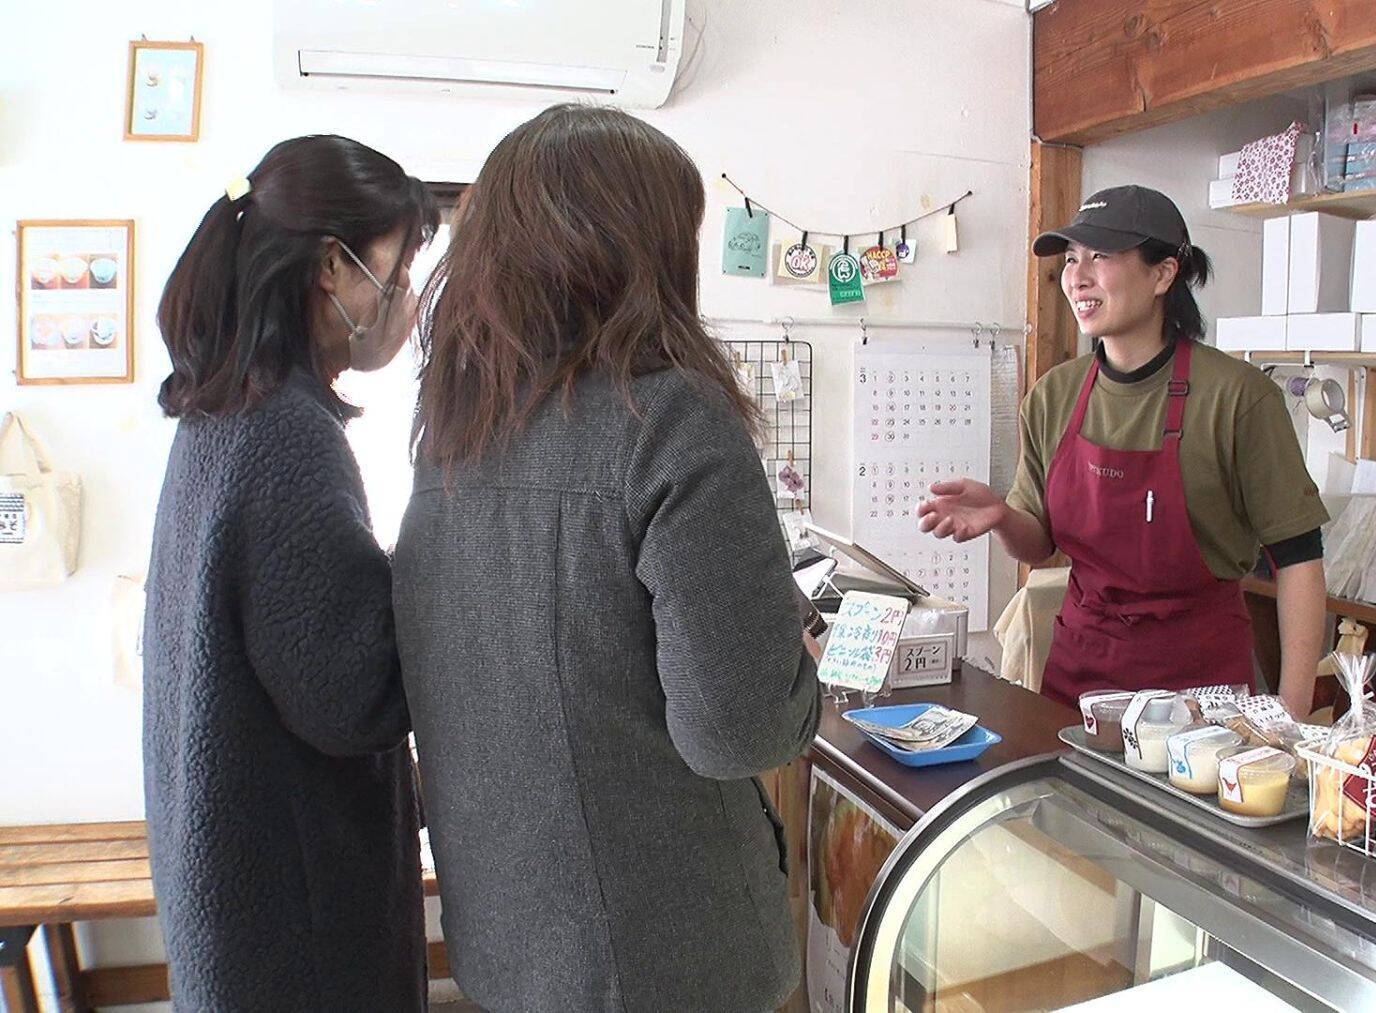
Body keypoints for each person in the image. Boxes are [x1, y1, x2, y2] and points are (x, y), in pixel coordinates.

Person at [392, 104, 821, 1012]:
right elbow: (736, 730)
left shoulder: (452, 436)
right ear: (642, 247)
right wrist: (795, 668)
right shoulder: (671, 419)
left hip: (507, 935)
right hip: (673, 948)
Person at [142, 135, 438, 1010]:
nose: (409, 295)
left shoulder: (220, 408)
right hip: (293, 929)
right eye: (403, 262)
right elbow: (357, 698)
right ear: (332, 270)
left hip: (229, 887)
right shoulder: (287, 434)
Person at [918, 185, 1328, 716]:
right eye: (1071, 259)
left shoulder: (1238, 398)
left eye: (1101, 257)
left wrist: (1292, 718)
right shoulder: (1055, 395)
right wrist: (1002, 516)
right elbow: (1038, 543)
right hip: (1082, 679)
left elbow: (1299, 559)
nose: (1077, 277)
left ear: (1164, 274)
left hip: (1200, 693)